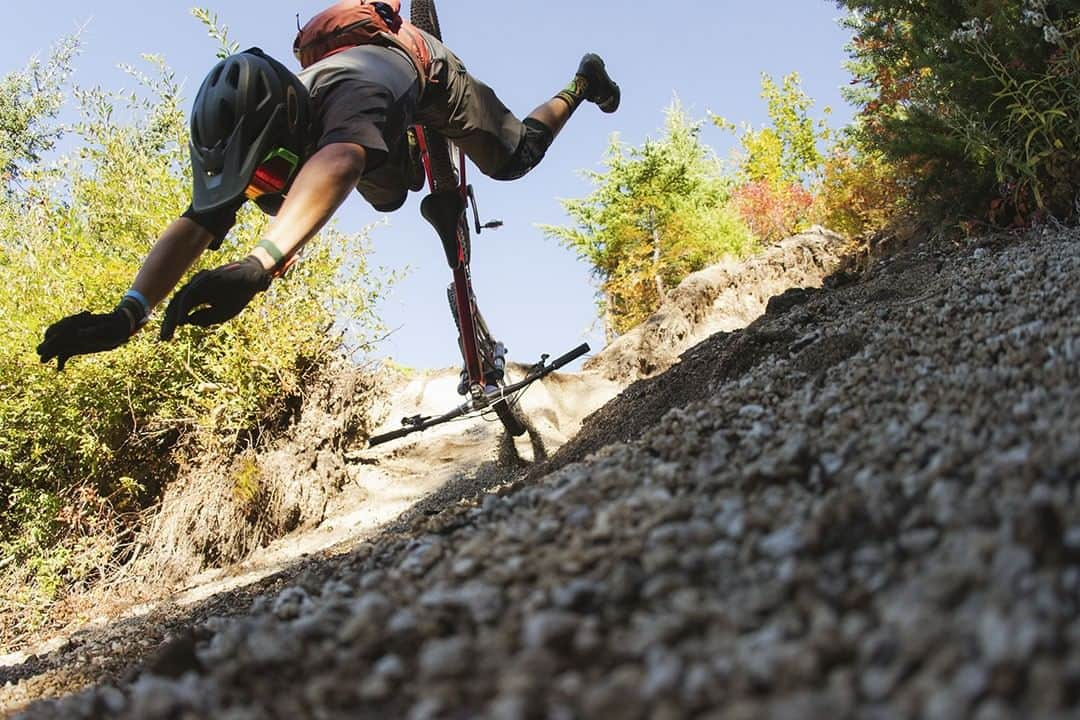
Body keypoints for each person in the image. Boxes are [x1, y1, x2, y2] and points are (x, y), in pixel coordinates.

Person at [36, 0, 620, 370]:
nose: (266, 192)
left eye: (270, 175)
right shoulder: (266, 126)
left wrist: (259, 265)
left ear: (294, 131)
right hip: (360, 118)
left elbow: (339, 160)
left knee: (514, 158)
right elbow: (198, 220)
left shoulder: (352, 96)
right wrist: (127, 314)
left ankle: (582, 82)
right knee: (391, 196)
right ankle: (404, 146)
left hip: (424, 76)